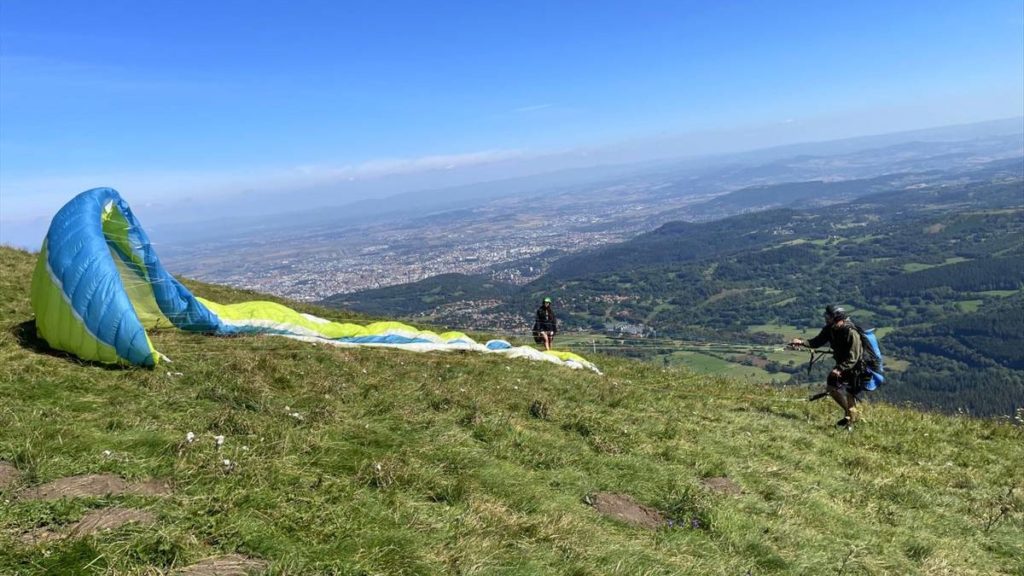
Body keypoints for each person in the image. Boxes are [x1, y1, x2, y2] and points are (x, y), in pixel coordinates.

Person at [790, 305, 869, 428]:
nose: (826, 318)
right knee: (831, 387)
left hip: (855, 370)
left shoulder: (851, 333)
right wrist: (802, 342)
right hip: (841, 367)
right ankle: (848, 413)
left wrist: (840, 368)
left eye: (829, 316)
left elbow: (854, 357)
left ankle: (850, 425)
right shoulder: (830, 329)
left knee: (850, 395)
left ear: (837, 318)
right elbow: (816, 342)